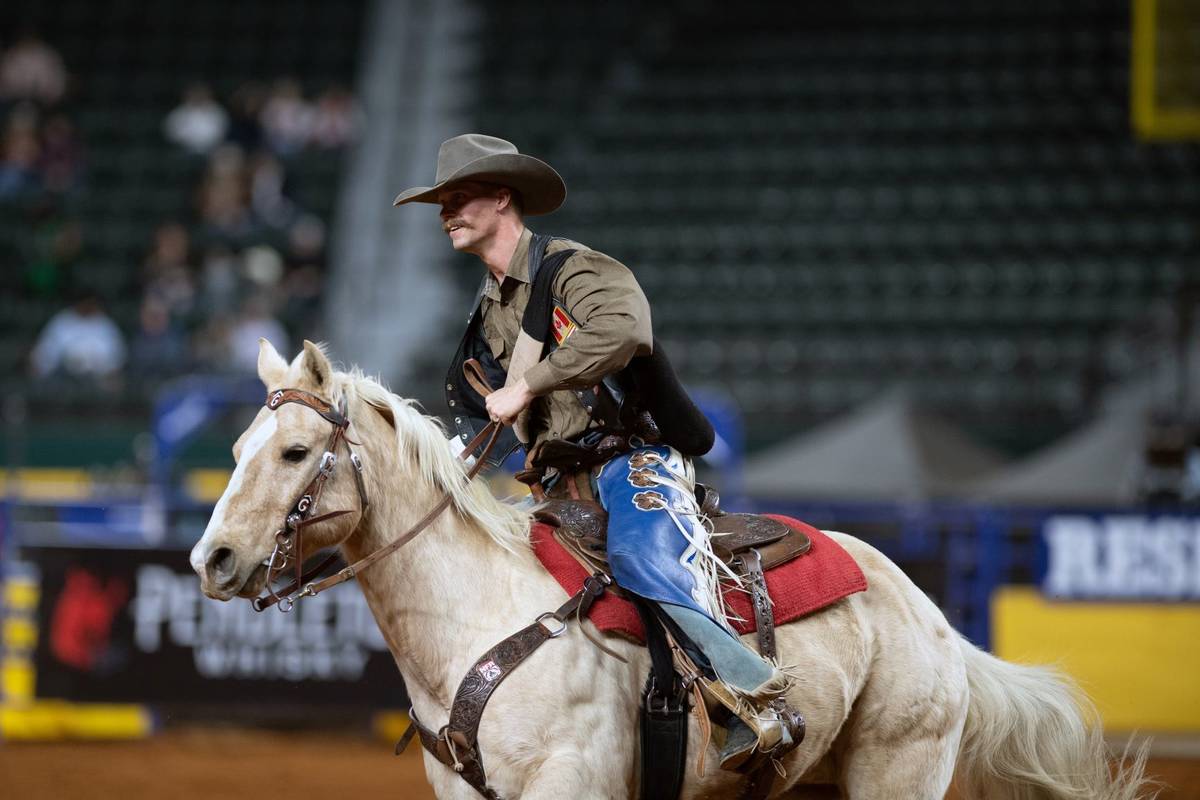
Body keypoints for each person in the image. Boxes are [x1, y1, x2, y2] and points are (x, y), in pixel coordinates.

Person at [393, 134, 799, 767]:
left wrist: (526, 383)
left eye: (460, 198)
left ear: (503, 198)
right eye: (441, 203)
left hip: (628, 461)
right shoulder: (490, 308)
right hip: (553, 487)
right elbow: (485, 412)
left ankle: (752, 698)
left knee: (640, 555)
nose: (448, 213)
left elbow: (624, 328)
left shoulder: (573, 268)